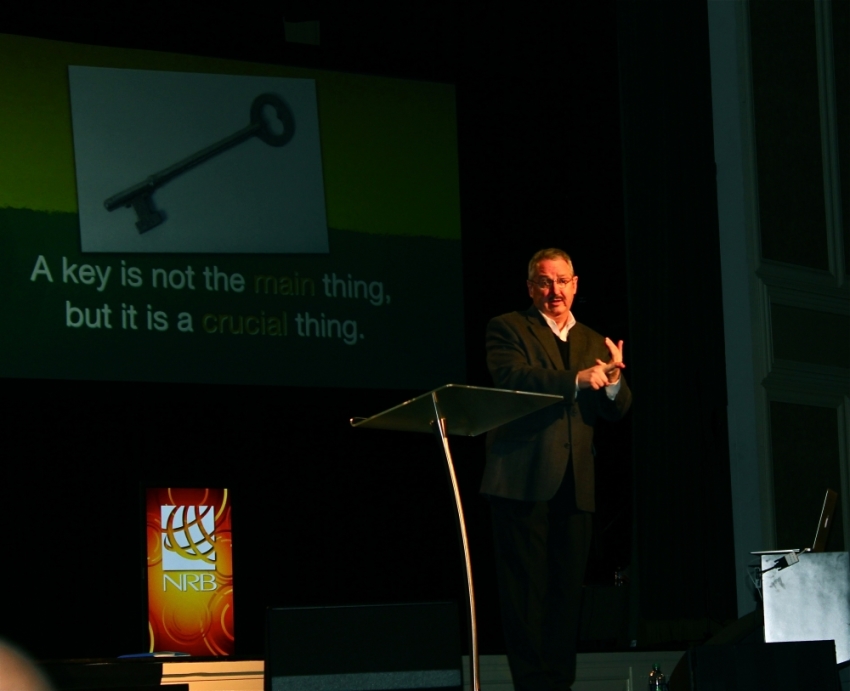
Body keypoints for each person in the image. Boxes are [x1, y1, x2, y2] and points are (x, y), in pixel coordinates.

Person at [482, 248, 632, 691]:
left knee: (568, 597)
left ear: (575, 285)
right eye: (545, 282)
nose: (555, 291)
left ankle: (559, 684)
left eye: (562, 281)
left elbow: (618, 410)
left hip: (576, 485)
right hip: (522, 481)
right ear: (531, 288)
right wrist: (577, 380)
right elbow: (513, 377)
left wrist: (615, 381)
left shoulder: (592, 339)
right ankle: (532, 685)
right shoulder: (508, 327)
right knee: (525, 595)